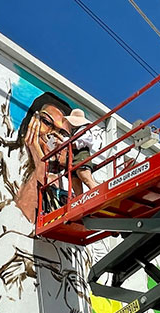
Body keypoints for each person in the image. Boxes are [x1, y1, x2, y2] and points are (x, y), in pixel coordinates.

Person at [13, 92, 73, 222]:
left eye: (62, 133)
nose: (53, 135)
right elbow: (20, 217)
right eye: (46, 122)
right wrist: (39, 162)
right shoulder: (13, 162)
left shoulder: (65, 182)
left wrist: (42, 164)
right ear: (31, 123)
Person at [63, 108, 99, 196]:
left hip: (81, 155)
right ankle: (78, 200)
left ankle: (97, 192)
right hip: (72, 159)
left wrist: (65, 143)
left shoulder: (85, 131)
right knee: (75, 182)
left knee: (85, 177)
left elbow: (78, 144)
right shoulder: (73, 133)